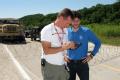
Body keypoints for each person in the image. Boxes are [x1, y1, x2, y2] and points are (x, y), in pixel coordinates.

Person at [64, 11, 101, 80]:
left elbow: (98, 42)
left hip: (82, 64)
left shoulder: (86, 31)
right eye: (73, 21)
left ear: (80, 21)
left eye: (77, 21)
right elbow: (61, 44)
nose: (75, 23)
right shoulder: (66, 31)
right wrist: (64, 55)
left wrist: (91, 55)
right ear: (70, 21)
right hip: (69, 63)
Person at [41, 8, 76, 80]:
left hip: (63, 66)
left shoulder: (65, 30)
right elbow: (46, 51)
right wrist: (63, 48)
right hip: (51, 66)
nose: (68, 26)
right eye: (67, 23)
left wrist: (66, 52)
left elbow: (63, 45)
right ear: (61, 18)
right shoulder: (47, 29)